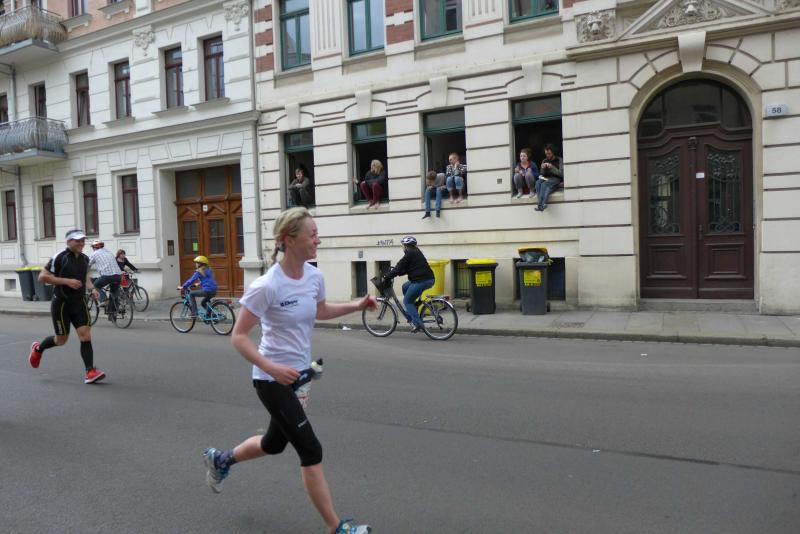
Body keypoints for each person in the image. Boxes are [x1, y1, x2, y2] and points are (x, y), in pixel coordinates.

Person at [202, 207, 377, 534]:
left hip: (300, 378)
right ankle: (336, 527)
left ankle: (221, 459)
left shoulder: (314, 276)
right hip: (271, 380)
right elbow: (238, 337)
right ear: (289, 239)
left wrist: (356, 305)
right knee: (310, 449)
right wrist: (271, 367)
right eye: (312, 235)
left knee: (273, 443)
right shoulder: (267, 286)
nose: (317, 240)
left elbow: (320, 310)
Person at [27, 229, 106, 384]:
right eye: (77, 240)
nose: (81, 243)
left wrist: (92, 289)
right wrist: (67, 281)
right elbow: (42, 277)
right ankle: (38, 349)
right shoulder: (60, 257)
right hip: (61, 303)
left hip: (79, 302)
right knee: (61, 340)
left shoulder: (85, 258)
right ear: (69, 242)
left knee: (85, 335)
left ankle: (90, 371)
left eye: (83, 240)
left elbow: (85, 276)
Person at [385, 236, 434, 333]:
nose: (403, 247)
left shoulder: (409, 254)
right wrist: (397, 272)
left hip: (421, 281)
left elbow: (400, 266)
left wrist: (387, 277)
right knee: (405, 287)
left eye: (403, 245)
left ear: (406, 246)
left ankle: (417, 324)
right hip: (426, 278)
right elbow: (407, 268)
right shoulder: (416, 252)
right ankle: (413, 308)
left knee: (407, 301)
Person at [89, 240, 123, 315]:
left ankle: (104, 300)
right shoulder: (109, 252)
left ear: (94, 247)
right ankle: (113, 312)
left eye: (92, 247)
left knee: (94, 286)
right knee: (114, 293)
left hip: (107, 275)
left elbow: (87, 264)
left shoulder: (95, 253)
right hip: (118, 275)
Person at [534, 144, 564, 212]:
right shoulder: (544, 160)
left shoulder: (559, 160)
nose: (548, 155)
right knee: (538, 182)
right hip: (546, 178)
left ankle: (542, 204)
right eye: (546, 154)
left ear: (553, 152)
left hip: (555, 178)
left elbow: (561, 174)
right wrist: (543, 168)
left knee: (544, 184)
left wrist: (552, 167)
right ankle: (541, 204)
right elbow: (541, 173)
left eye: (549, 154)